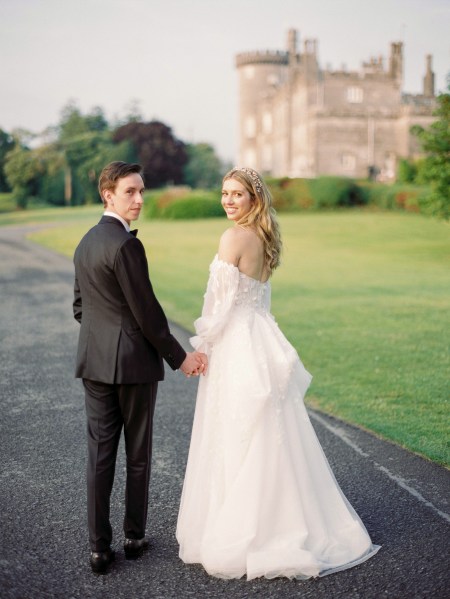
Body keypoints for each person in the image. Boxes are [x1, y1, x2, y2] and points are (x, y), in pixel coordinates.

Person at [176, 167, 380, 580]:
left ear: (254, 198)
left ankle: (247, 527)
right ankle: (285, 518)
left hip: (237, 343)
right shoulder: (266, 237)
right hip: (262, 339)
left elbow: (219, 307)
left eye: (237, 194)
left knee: (237, 430)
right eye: (224, 194)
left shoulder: (232, 237)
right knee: (270, 430)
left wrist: (202, 346)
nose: (228, 201)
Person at [73, 161, 207, 574]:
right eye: (130, 191)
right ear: (108, 194)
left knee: (99, 455)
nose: (140, 200)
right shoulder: (126, 245)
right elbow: (147, 315)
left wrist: (105, 338)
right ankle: (133, 538)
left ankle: (99, 549)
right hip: (132, 365)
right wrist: (181, 357)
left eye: (141, 191)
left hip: (94, 362)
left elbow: (81, 308)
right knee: (137, 454)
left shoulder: (85, 242)